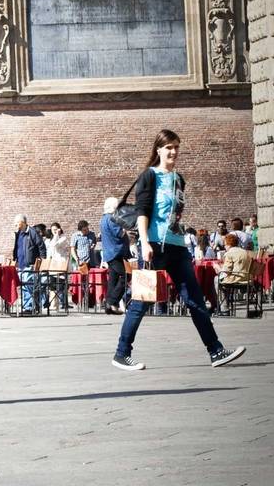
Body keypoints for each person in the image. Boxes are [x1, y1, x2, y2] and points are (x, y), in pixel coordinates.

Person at [112, 129, 246, 371]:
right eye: (169, 147)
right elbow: (143, 211)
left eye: (176, 147)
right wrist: (144, 244)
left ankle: (215, 351)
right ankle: (122, 353)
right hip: (154, 247)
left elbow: (175, 214)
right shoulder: (149, 176)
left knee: (195, 299)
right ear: (158, 150)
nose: (173, 151)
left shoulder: (179, 179)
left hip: (177, 247)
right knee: (141, 301)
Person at [100, 197, 131, 315]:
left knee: (113, 280)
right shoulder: (112, 219)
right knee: (126, 276)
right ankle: (112, 302)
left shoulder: (103, 218)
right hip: (116, 252)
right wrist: (127, 228)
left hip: (110, 253)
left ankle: (109, 306)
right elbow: (120, 233)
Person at [12, 215, 46, 312]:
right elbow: (17, 248)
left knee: (29, 285)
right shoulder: (18, 233)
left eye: (16, 222)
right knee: (24, 286)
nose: (15, 224)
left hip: (29, 264)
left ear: (22, 222)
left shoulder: (32, 232)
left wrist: (41, 260)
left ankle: (30, 307)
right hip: (21, 264)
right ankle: (28, 306)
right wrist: (15, 259)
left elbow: (41, 246)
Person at [219, 233, 254, 313]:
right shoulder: (245, 252)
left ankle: (224, 308)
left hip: (236, 279)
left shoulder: (229, 253)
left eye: (225, 245)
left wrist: (217, 268)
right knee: (223, 280)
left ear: (229, 244)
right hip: (247, 278)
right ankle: (226, 304)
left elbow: (226, 271)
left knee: (216, 280)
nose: (224, 247)